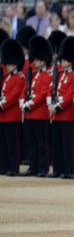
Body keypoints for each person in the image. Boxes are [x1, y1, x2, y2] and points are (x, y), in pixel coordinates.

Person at [20, 36, 53, 177]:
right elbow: (25, 89)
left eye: (37, 60)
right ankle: (33, 167)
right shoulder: (32, 74)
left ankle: (42, 167)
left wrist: (29, 104)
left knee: (41, 143)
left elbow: (43, 94)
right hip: (28, 113)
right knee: (31, 143)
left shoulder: (47, 75)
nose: (35, 62)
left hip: (40, 113)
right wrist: (22, 101)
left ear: (44, 60)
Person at [49, 36, 74, 178]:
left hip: (66, 113)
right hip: (55, 113)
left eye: (66, 60)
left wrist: (58, 106)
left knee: (68, 144)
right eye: (62, 59)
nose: (63, 62)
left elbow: (69, 96)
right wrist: (50, 103)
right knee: (56, 143)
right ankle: (58, 168)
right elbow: (51, 89)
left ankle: (70, 169)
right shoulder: (59, 74)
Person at [0, 39, 26, 176]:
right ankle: (3, 166)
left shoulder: (20, 78)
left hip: (12, 114)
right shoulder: (5, 77)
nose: (8, 65)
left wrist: (2, 104)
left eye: (11, 63)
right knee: (3, 143)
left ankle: (14, 167)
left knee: (12, 143)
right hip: (2, 115)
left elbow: (14, 95)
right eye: (7, 63)